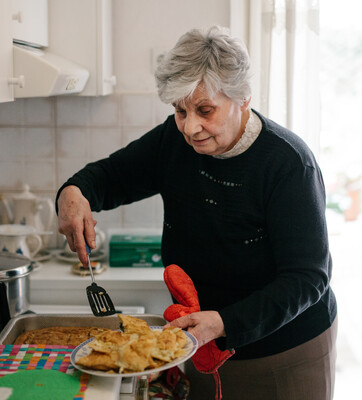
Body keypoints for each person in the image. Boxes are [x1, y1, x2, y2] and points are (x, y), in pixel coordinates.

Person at [57, 26, 337, 400]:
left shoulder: (287, 164)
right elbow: (108, 177)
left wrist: (224, 322)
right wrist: (73, 194)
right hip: (199, 343)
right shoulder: (173, 142)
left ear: (243, 99)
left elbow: (308, 277)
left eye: (205, 110)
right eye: (179, 111)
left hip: (284, 351)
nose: (190, 128)